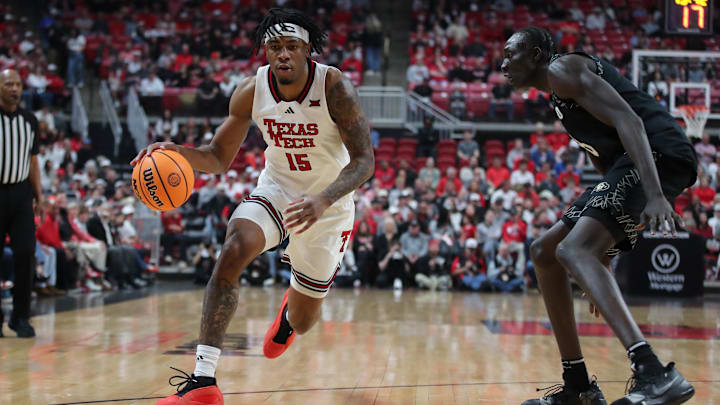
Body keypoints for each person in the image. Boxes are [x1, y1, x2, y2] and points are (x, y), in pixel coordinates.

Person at [133, 9, 374, 405]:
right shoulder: (251, 90)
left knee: (304, 319)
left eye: (291, 47)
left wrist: (323, 199)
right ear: (265, 50)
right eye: (275, 46)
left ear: (307, 49)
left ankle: (288, 316)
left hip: (328, 204)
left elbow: (365, 161)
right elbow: (215, 156)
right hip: (278, 189)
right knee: (234, 247)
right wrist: (173, 152)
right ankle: (203, 380)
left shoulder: (334, 86)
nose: (283, 55)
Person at [502, 27, 697, 405]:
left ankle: (654, 374)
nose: (503, 63)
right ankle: (578, 387)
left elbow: (632, 122)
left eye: (512, 54)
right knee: (545, 251)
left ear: (539, 55)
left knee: (573, 251)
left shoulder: (563, 70)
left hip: (657, 153)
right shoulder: (559, 98)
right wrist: (603, 252)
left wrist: (655, 195)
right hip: (629, 164)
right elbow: (607, 166)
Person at [0, 70, 43, 338]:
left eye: (17, 84)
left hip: (21, 193)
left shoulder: (29, 120)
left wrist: (39, 194)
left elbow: (33, 161)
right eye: (8, 84)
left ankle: (20, 318)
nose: (14, 88)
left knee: (25, 253)